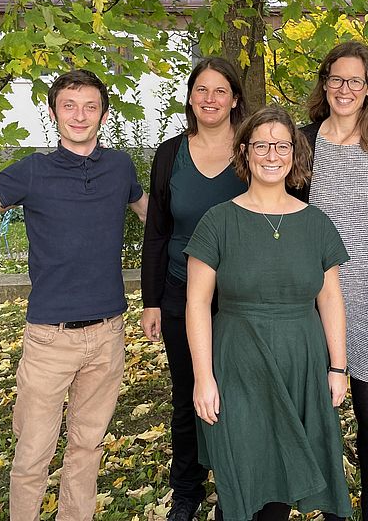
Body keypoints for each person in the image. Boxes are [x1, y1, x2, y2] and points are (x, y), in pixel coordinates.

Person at [0, 69, 148, 521]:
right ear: (54, 113)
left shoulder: (120, 167)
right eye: (69, 106)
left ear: (104, 115)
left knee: (88, 445)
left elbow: (148, 212)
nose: (80, 115)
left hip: (108, 334)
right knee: (33, 453)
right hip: (49, 338)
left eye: (90, 107)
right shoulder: (33, 171)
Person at [185, 105, 352, 521]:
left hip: (301, 361)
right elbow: (197, 303)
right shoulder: (217, 221)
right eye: (261, 146)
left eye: (282, 146)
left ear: (295, 153)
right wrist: (203, 377)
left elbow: (330, 299)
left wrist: (338, 367)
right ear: (245, 152)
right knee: (241, 469)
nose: (272, 155)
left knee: (281, 476)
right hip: (237, 362)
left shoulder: (317, 223)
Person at [295, 41, 368, 521]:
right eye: (336, 79)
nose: (344, 89)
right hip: (310, 295)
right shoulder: (302, 142)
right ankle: (327, 500)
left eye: (355, 81)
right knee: (316, 405)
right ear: (324, 84)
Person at [140, 57, 247, 520]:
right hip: (181, 293)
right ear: (189, 97)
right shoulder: (170, 155)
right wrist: (151, 300)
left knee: (239, 396)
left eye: (220, 90)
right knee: (188, 394)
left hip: (241, 298)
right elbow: (157, 232)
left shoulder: (252, 151)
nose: (210, 99)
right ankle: (186, 490)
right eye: (201, 89)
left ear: (235, 99)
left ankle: (235, 488)